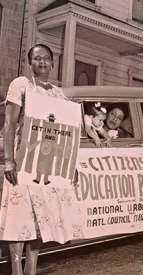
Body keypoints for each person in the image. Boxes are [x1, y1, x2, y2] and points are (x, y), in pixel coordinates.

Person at [0, 44, 83, 275]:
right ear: (30, 63)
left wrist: (70, 166)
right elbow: (9, 124)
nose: (42, 62)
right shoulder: (21, 85)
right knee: (18, 216)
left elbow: (66, 133)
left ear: (53, 63)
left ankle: (31, 268)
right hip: (22, 160)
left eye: (46, 59)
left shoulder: (58, 94)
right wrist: (9, 159)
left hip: (45, 165)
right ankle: (16, 267)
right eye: (37, 59)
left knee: (39, 217)